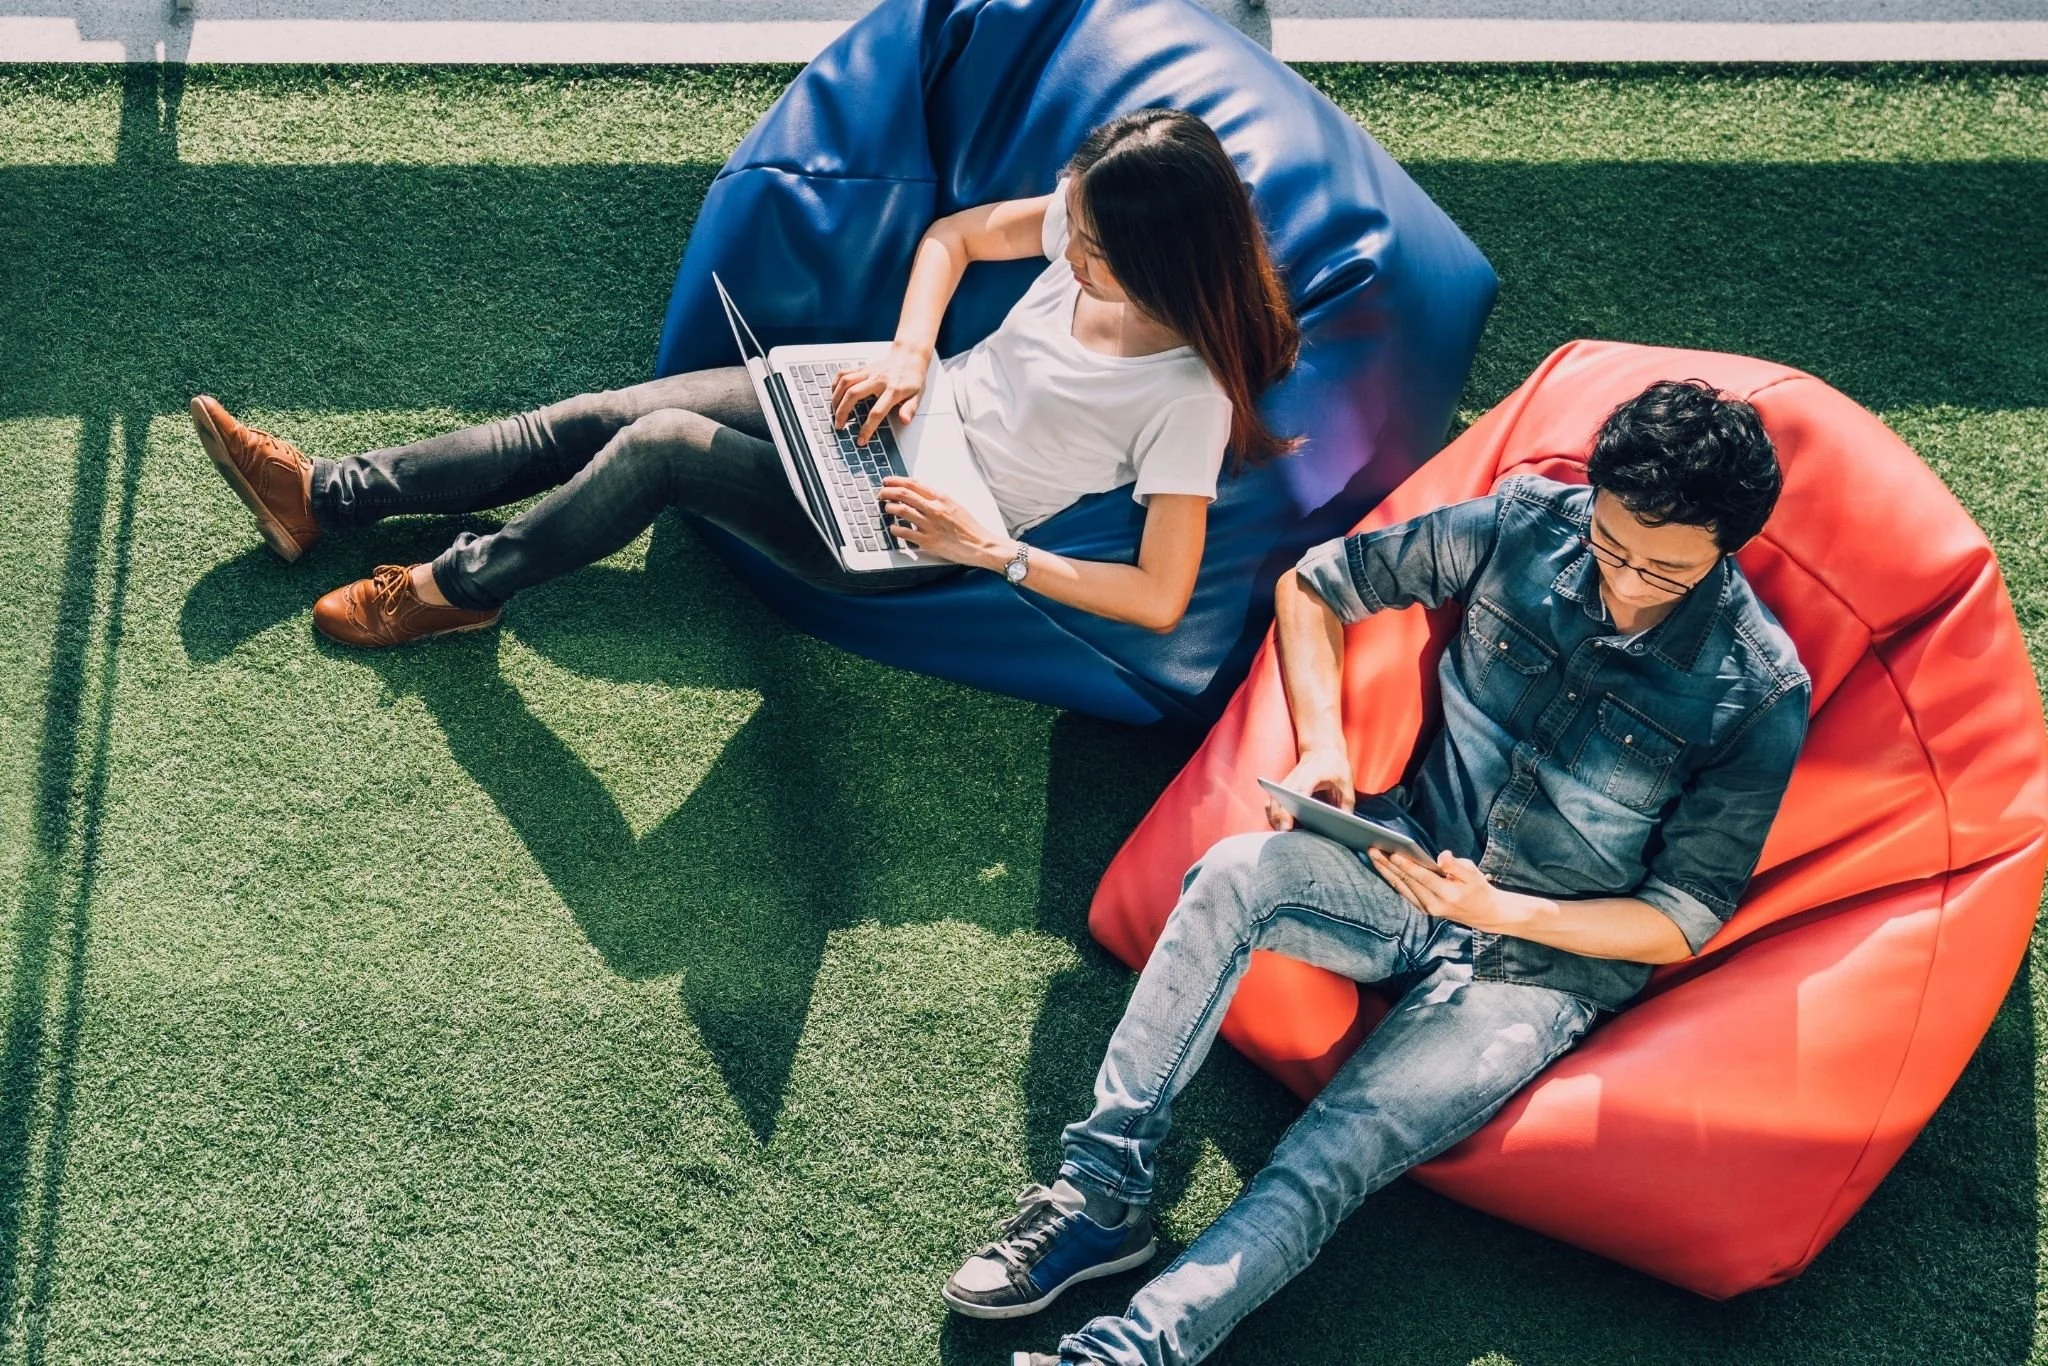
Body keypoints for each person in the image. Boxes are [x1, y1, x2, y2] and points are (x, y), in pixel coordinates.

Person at [949, 379, 1812, 1366]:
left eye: (1663, 570)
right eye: (1611, 543)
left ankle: (1128, 1352)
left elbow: (1681, 916)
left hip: (1535, 969)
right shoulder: (1529, 522)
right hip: (1406, 862)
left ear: (1723, 552)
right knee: (1231, 873)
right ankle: (1102, 1192)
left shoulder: (1755, 690)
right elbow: (1318, 585)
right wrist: (1322, 747)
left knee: (1333, 1149)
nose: (1621, 579)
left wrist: (1507, 910)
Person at [187, 109, 1299, 648]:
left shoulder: (1184, 398)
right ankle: (324, 496)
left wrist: (990, 550)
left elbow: (1158, 598)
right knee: (608, 413)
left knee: (661, 451)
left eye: (1093, 250)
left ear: (1161, 259)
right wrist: (912, 353)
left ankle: (456, 591)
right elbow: (954, 241)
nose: (1069, 251)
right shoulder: (1089, 222)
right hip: (890, 409)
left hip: (916, 531)